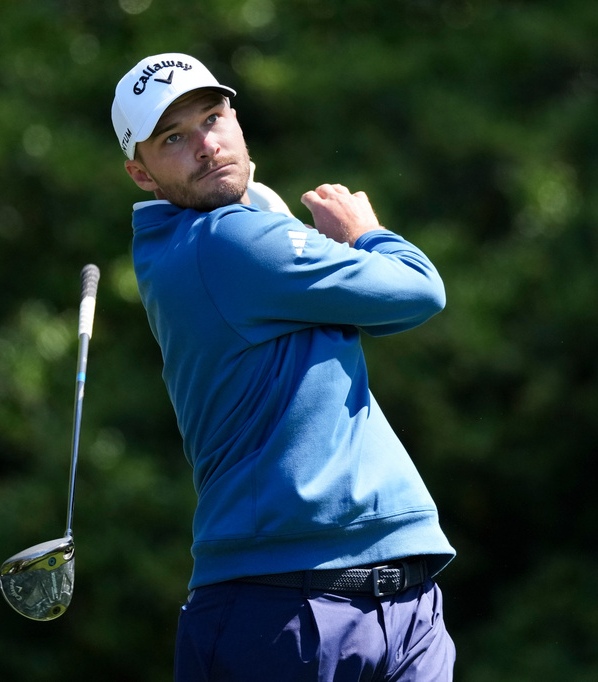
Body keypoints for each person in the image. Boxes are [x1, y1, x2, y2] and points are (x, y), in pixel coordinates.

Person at [112, 53, 457, 682]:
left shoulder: (230, 239)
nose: (207, 145)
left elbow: (378, 312)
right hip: (281, 609)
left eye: (213, 118)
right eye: (174, 138)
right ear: (142, 173)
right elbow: (417, 291)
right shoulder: (227, 242)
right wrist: (366, 235)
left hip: (402, 592)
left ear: (237, 120)